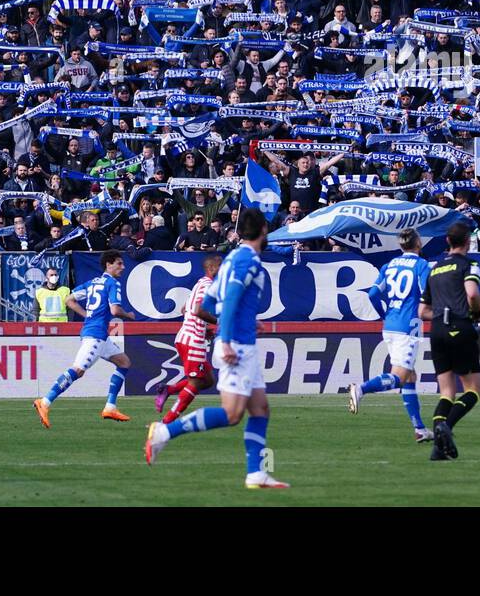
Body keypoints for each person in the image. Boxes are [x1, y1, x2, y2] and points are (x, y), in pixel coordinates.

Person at [144, 209, 290, 490]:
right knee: (232, 414)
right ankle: (164, 432)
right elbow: (232, 296)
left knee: (260, 409)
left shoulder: (233, 258)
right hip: (236, 345)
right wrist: (224, 340)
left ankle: (256, 474)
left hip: (240, 338)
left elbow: (205, 307)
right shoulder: (247, 259)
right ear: (262, 230)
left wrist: (247, 319)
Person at [33, 251, 137, 427]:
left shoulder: (92, 283)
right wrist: (129, 315)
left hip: (99, 335)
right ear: (109, 264)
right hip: (95, 335)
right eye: (119, 263)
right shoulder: (113, 283)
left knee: (124, 362)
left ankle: (110, 407)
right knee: (78, 371)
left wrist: (86, 314)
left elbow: (69, 299)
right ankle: (45, 402)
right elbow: (115, 311)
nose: (123, 267)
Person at [348, 227, 433, 442]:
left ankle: (420, 429)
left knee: (410, 377)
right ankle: (360, 389)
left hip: (390, 324)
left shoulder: (389, 265)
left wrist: (384, 313)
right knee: (400, 377)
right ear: (418, 243)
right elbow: (425, 295)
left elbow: (373, 294)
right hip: (409, 326)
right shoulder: (421, 265)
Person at [418, 220, 480, 461]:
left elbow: (421, 311)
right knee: (473, 389)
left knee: (446, 392)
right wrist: (476, 313)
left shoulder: (435, 269)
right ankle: (446, 427)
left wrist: (440, 313)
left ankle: (439, 449)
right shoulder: (469, 264)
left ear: (447, 241)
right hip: (460, 327)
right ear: (467, 242)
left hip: (436, 331)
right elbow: (473, 294)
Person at [154, 254, 219, 424]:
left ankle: (169, 389)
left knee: (208, 380)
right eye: (221, 267)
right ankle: (166, 422)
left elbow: (186, 309)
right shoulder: (208, 286)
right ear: (211, 268)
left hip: (188, 336)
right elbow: (197, 311)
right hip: (193, 341)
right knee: (196, 383)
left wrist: (203, 329)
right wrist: (218, 322)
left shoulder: (200, 284)